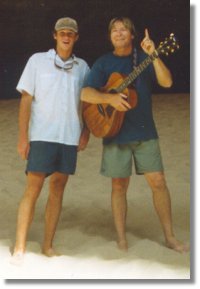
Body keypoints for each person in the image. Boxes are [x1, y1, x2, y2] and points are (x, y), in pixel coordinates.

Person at [81, 17, 189, 253]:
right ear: (110, 37)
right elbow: (86, 94)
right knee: (119, 185)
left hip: (144, 131)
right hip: (114, 132)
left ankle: (170, 236)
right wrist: (109, 98)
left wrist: (154, 55)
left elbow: (167, 82)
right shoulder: (103, 63)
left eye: (124, 30)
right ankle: (121, 238)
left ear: (132, 36)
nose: (119, 33)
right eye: (114, 30)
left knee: (158, 182)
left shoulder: (144, 58)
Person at [11, 17, 90, 263]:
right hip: (42, 136)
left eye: (71, 33)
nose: (66, 36)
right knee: (33, 188)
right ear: (54, 36)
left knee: (57, 189)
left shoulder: (83, 67)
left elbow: (87, 103)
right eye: (62, 32)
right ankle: (20, 247)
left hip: (68, 137)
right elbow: (26, 100)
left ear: (76, 38)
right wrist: (23, 137)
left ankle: (47, 245)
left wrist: (85, 131)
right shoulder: (37, 61)